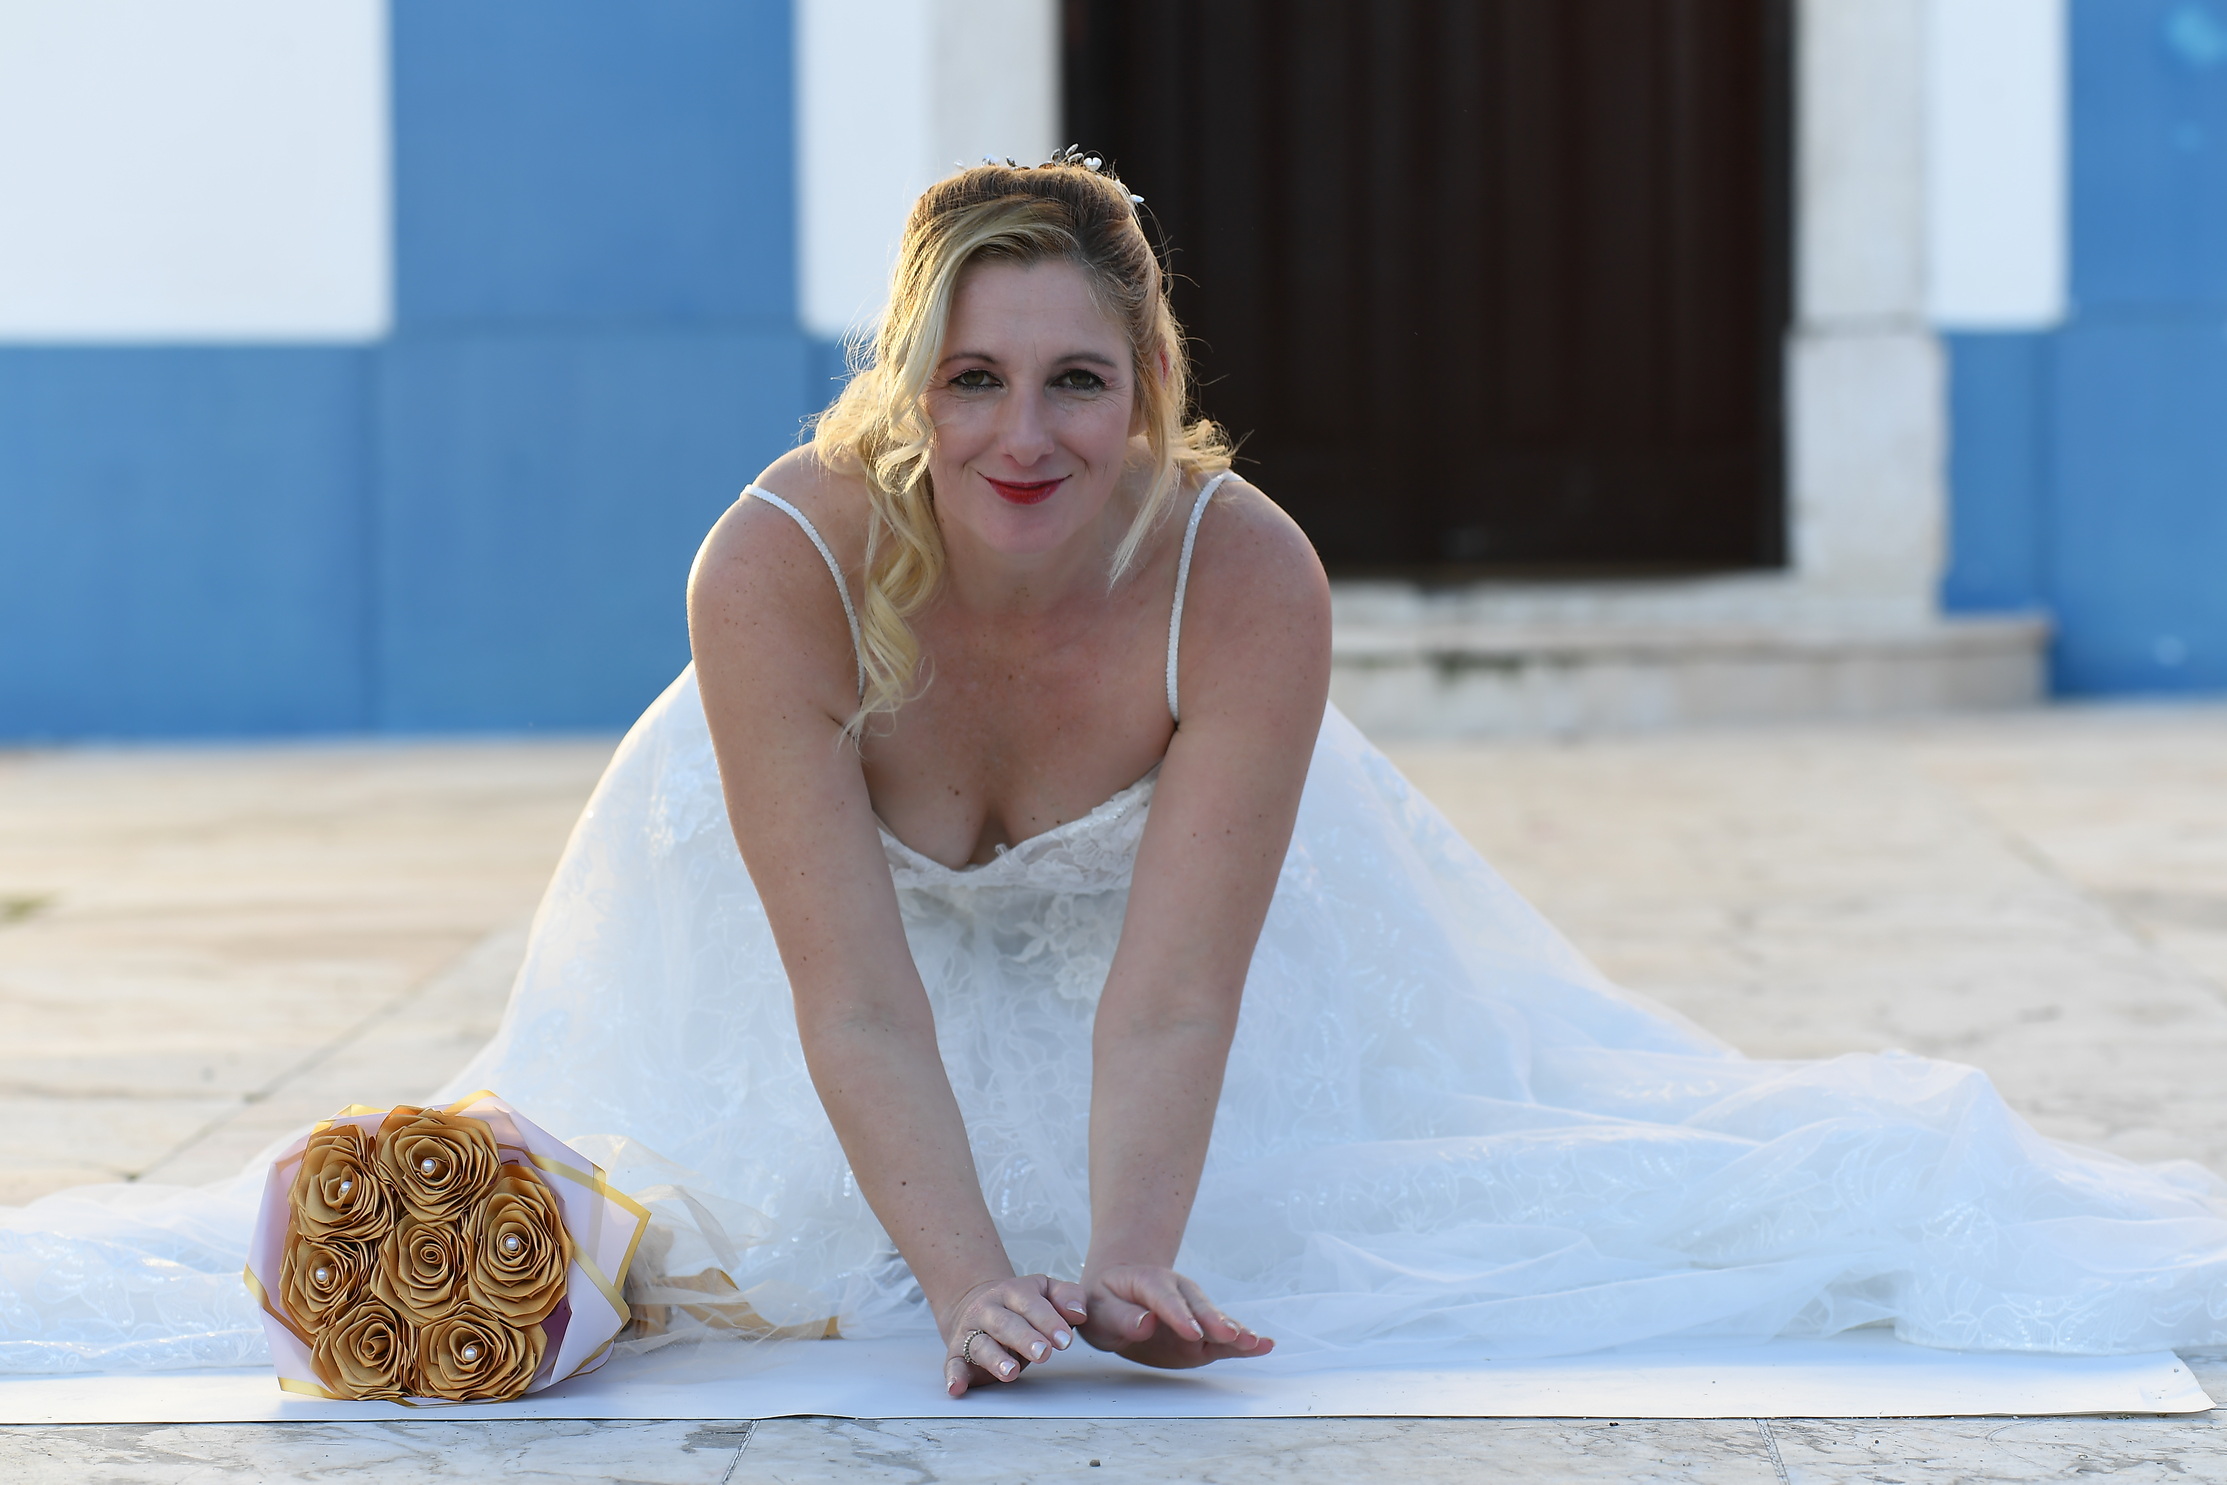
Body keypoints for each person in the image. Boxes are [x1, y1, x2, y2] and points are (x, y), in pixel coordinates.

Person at [5, 153, 2226, 1386]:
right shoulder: (773, 567)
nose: (1023, 434)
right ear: (904, 383)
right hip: (787, 962)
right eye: (971, 377)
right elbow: (851, 990)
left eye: (1078, 379)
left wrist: (1125, 1259)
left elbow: (1171, 994)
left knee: (1573, 1199)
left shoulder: (1241, 579)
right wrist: (970, 1273)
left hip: (1137, 979)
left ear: (1154, 384)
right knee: (734, 1235)